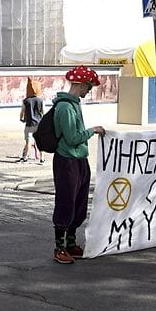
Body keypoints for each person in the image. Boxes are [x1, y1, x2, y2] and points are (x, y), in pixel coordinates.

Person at [52, 66, 106, 265]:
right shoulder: (65, 107)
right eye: (89, 87)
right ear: (81, 84)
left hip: (78, 159)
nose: (88, 91)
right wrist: (93, 130)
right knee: (66, 202)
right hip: (67, 160)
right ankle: (59, 247)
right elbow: (73, 137)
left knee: (79, 203)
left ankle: (71, 243)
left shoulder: (74, 105)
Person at [19, 78, 45, 163]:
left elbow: (22, 112)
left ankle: (25, 157)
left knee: (28, 142)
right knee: (40, 141)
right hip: (39, 124)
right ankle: (42, 158)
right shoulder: (41, 100)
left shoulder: (26, 101)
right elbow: (43, 112)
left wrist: (21, 119)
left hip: (29, 124)